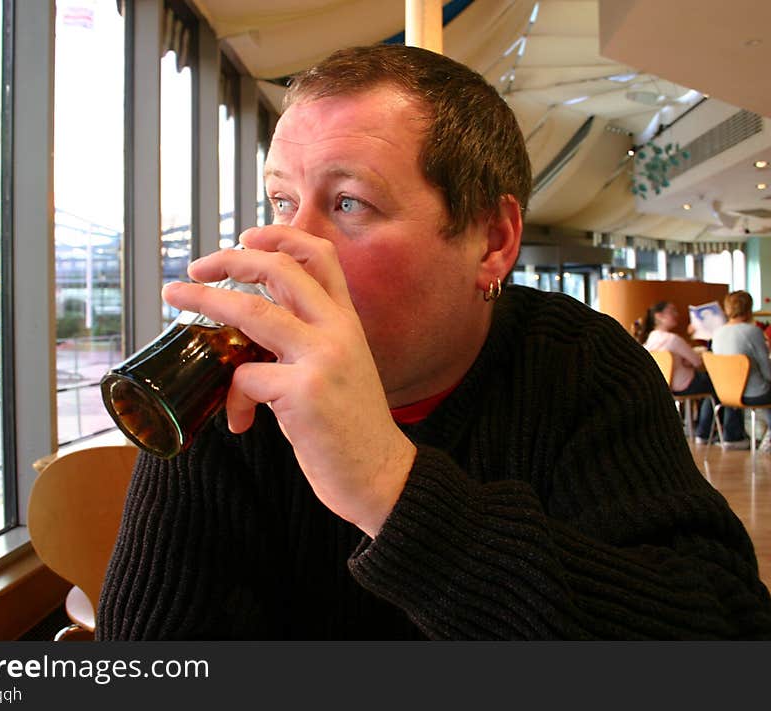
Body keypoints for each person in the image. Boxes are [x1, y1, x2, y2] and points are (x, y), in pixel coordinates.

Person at [96, 44, 771, 640]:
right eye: (280, 201)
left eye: (348, 203)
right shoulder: (234, 394)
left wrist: (392, 487)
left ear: (493, 241)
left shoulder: (579, 364)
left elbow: (726, 629)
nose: (285, 246)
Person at [638, 301, 738, 447]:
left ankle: (704, 432)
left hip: (667, 386)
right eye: (672, 311)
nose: (676, 315)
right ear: (659, 316)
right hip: (686, 383)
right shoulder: (673, 339)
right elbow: (697, 362)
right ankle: (720, 434)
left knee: (711, 386)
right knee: (722, 384)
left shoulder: (650, 340)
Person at [711, 290, 771, 453]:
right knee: (767, 386)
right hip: (753, 393)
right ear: (749, 308)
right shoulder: (753, 331)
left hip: (726, 393)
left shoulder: (717, 333)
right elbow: (766, 369)